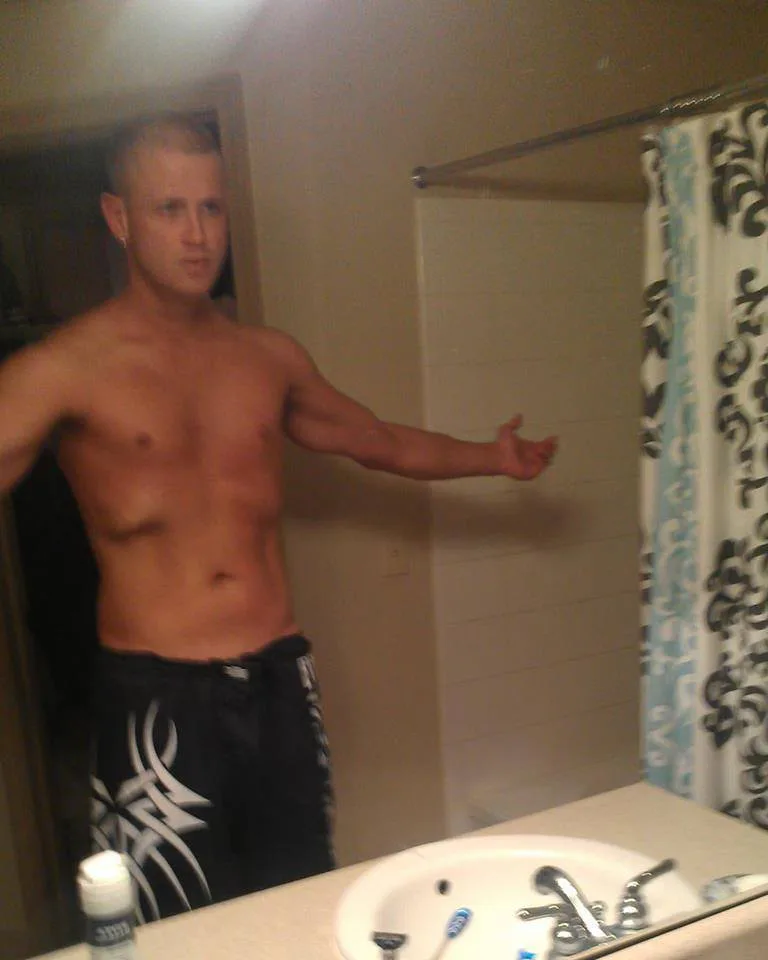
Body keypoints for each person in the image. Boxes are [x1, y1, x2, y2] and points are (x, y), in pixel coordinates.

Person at [0, 114, 558, 922]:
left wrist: (492, 457)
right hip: (156, 700)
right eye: (169, 210)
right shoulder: (63, 369)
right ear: (119, 217)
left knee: (302, 903)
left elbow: (377, 440)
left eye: (211, 208)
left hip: (278, 680)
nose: (197, 235)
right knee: (172, 927)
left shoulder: (267, 359)